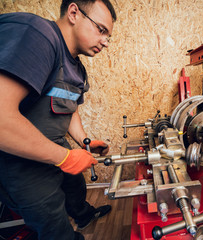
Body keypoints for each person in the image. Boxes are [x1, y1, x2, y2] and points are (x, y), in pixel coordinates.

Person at [0, 0, 117, 239]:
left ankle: (83, 215)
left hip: (53, 145)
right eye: (101, 29)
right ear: (74, 13)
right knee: (54, 225)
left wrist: (84, 140)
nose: (105, 42)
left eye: (108, 36)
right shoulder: (38, 36)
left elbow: (69, 106)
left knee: (75, 185)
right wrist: (64, 157)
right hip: (20, 162)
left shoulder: (76, 67)